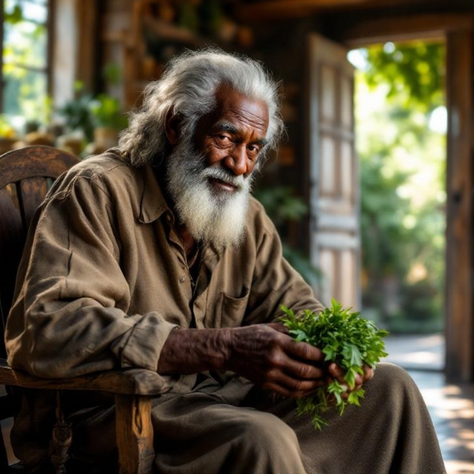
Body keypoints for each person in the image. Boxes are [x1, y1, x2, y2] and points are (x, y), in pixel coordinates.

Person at [5, 49, 446, 474]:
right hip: (116, 414)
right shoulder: (96, 191)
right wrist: (225, 347)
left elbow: (297, 307)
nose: (239, 164)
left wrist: (334, 355)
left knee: (391, 390)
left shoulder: (244, 216)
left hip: (220, 402)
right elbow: (49, 328)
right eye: (226, 137)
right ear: (176, 124)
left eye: (254, 148)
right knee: (261, 439)